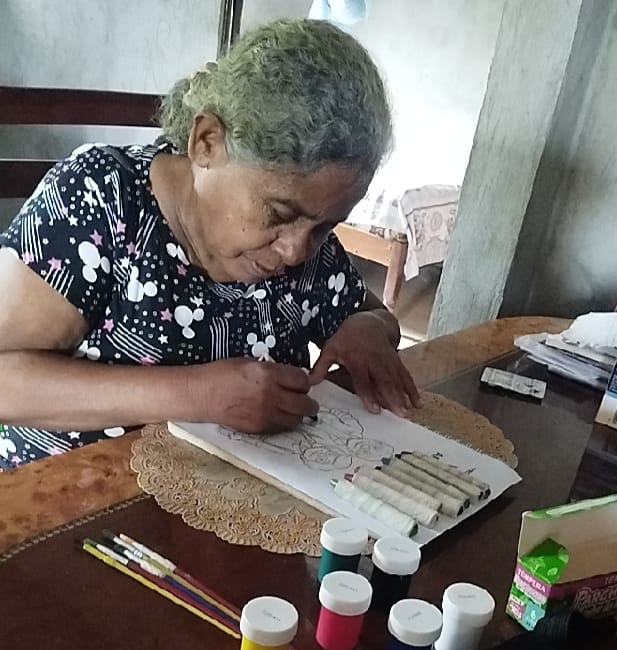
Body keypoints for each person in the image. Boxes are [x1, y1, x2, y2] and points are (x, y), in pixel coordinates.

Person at [0, 18, 420, 469]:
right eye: (279, 214)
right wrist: (199, 395)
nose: (296, 250)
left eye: (325, 227)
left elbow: (372, 315)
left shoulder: (306, 251)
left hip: (240, 495)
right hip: (75, 495)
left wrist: (370, 328)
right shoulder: (102, 199)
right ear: (206, 143)